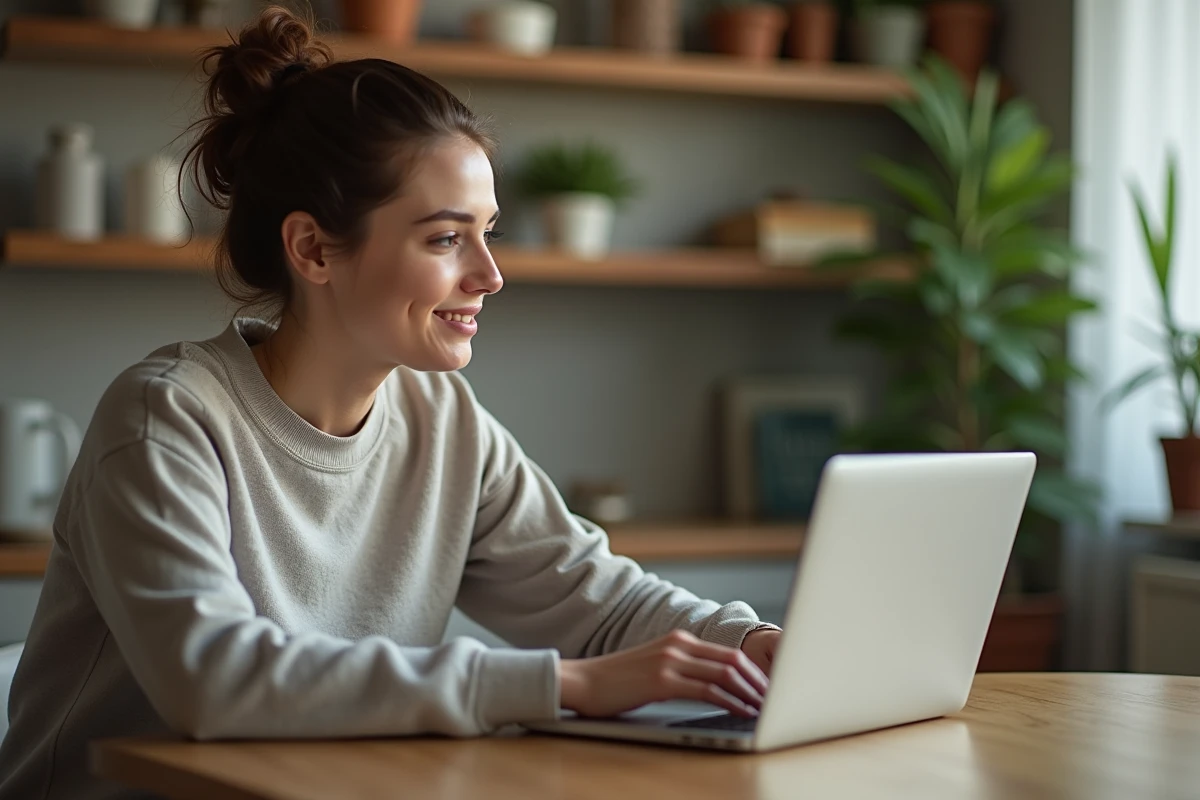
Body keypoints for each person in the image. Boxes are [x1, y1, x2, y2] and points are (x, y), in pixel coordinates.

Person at [0, 7, 781, 798]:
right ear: (312, 248)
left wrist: (752, 643)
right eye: (446, 239)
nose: (489, 275)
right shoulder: (165, 419)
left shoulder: (446, 422)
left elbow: (598, 601)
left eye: (489, 234)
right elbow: (215, 679)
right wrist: (567, 685)